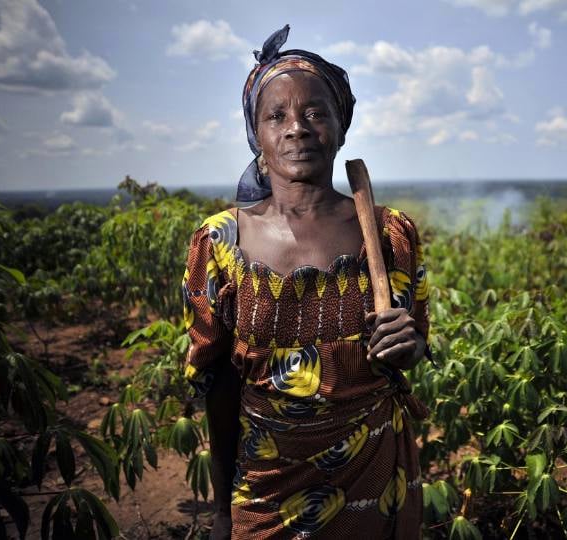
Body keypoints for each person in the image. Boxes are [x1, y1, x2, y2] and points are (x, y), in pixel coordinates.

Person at [181, 25, 433, 539]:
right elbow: (221, 387)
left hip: (375, 478)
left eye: (316, 112)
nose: (297, 127)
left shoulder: (389, 235)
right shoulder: (219, 244)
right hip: (267, 488)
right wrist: (225, 509)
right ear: (258, 136)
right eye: (277, 116)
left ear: (341, 128)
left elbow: (414, 343)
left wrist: (410, 346)